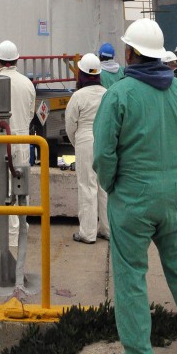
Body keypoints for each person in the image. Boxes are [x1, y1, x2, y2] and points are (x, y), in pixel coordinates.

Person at [94, 19, 177, 354]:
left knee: (131, 278)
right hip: (176, 197)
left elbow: (103, 155)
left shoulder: (119, 94)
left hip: (132, 198)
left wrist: (113, 185)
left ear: (130, 53)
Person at [0, 39, 36, 247]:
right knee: (22, 186)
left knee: (2, 188)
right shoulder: (27, 83)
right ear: (17, 59)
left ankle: (10, 236)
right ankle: (22, 229)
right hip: (21, 138)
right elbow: (30, 114)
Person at [64, 53, 108, 244]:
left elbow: (70, 125)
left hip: (84, 139)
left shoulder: (78, 96)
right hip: (104, 141)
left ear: (81, 73)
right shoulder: (107, 93)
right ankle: (107, 229)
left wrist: (77, 144)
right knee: (104, 187)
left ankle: (87, 233)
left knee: (87, 186)